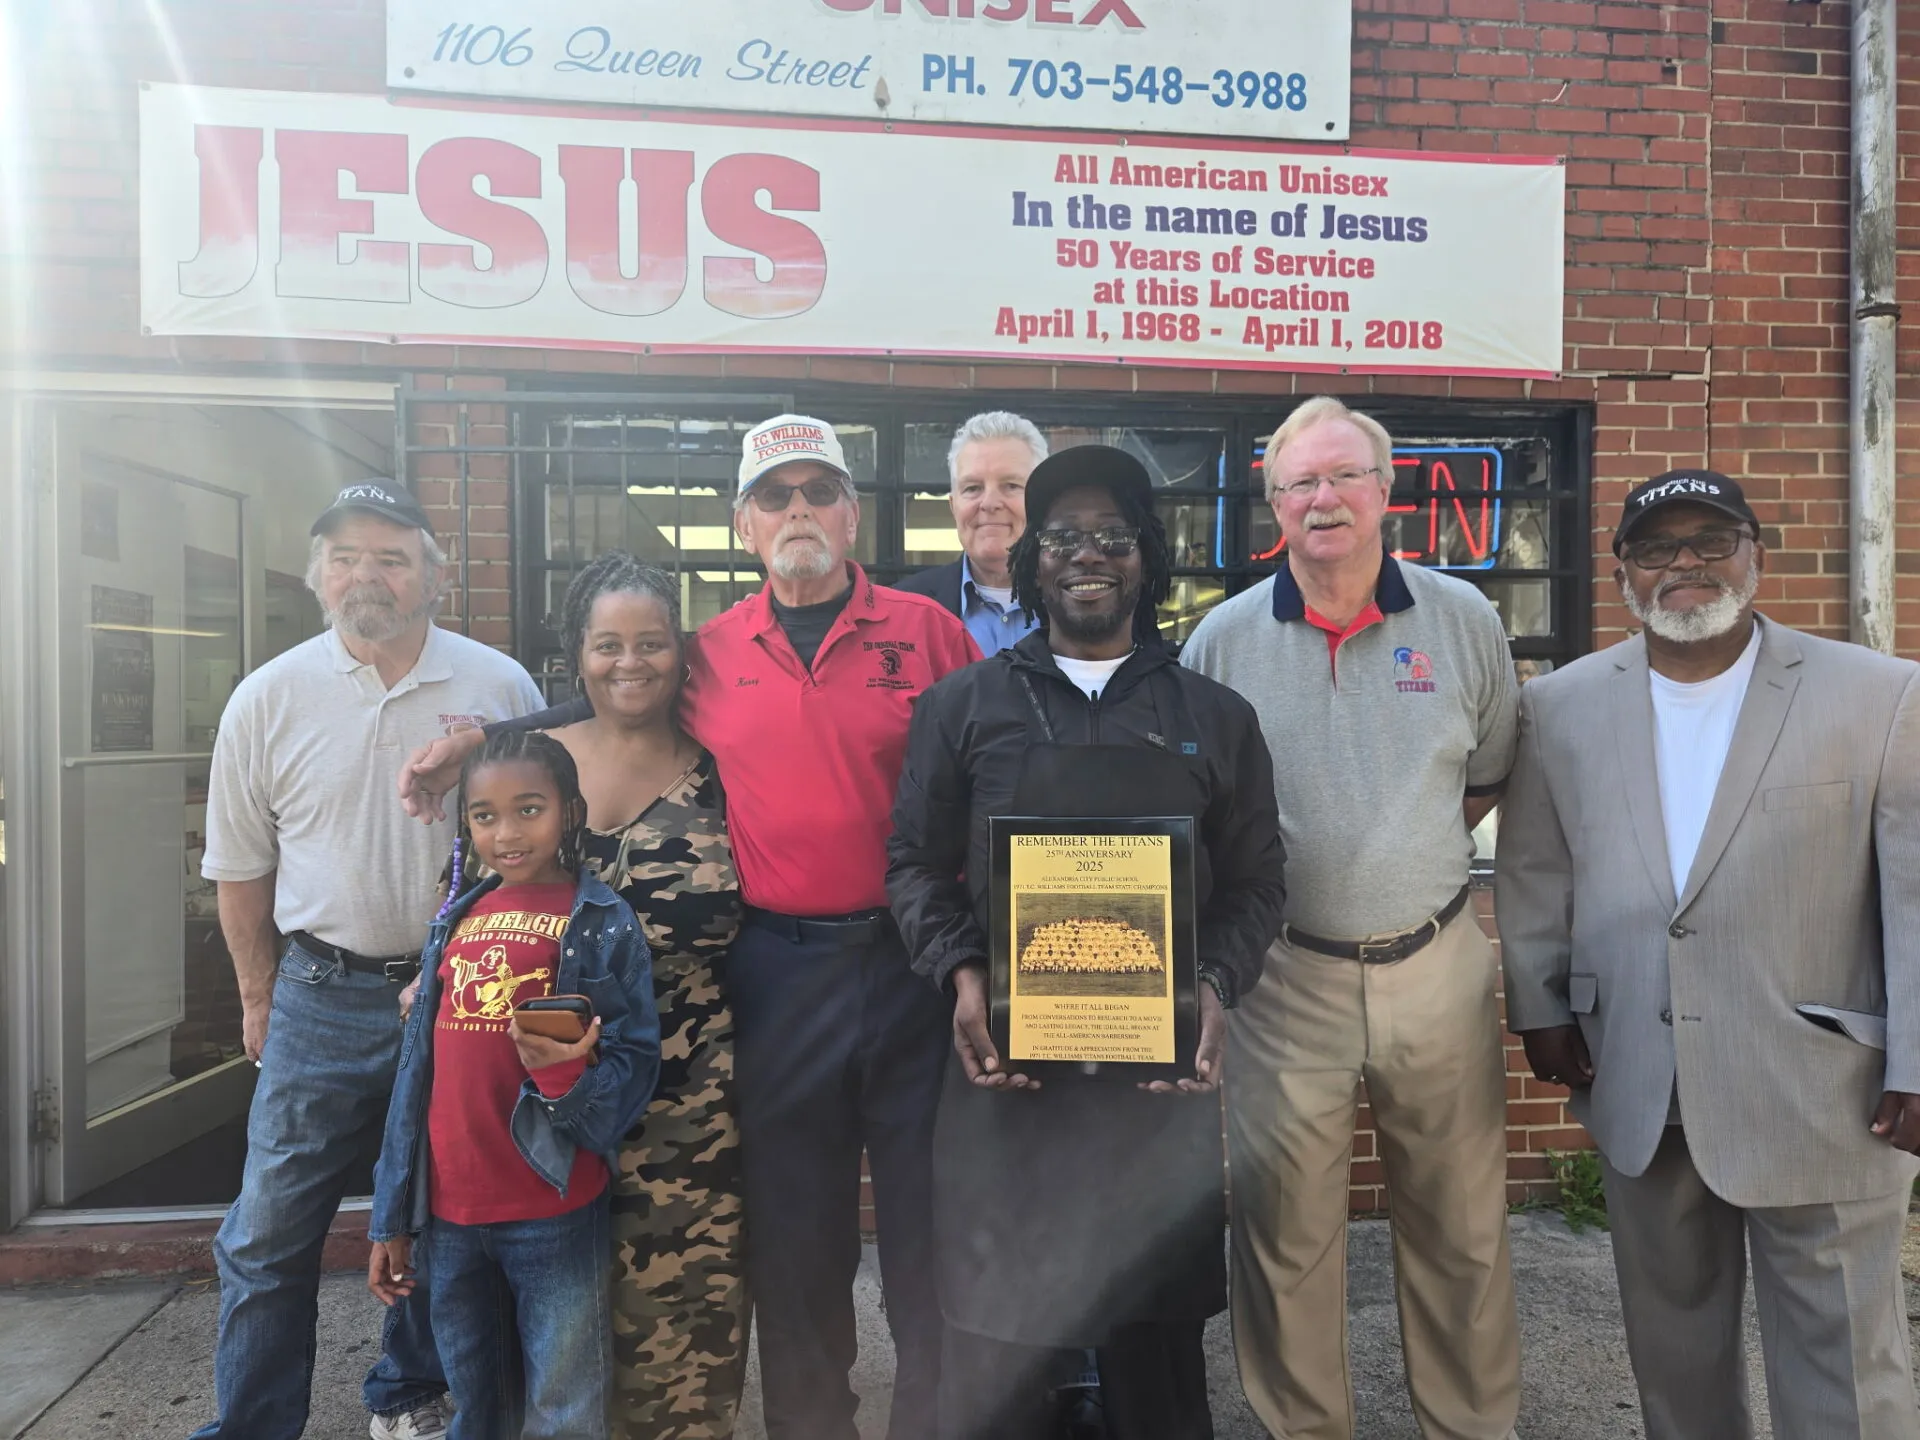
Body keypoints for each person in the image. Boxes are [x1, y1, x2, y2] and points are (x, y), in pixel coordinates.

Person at [398, 416, 981, 1440]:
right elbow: (608, 707)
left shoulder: (927, 633)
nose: (797, 511)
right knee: (799, 1246)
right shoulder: (708, 655)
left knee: (930, 1232)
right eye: (775, 496)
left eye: (818, 491)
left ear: (850, 512)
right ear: (744, 523)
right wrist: (478, 743)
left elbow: (993, 764)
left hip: (910, 965)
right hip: (781, 973)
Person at [1495, 471, 1920, 1440]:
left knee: (1847, 1374)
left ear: (1756, 556)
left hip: (1821, 1087)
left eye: (1710, 541)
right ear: (1622, 578)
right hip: (1643, 1080)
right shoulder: (1557, 707)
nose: (1684, 564)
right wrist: (1543, 1005)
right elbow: (1532, 865)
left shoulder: (1882, 696)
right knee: (1674, 1368)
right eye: (1656, 548)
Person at [888, 444, 1287, 1440]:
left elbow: (1259, 882)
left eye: (1113, 535)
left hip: (1154, 1101)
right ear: (1033, 558)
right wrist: (962, 972)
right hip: (1005, 1090)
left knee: (1155, 1373)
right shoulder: (964, 707)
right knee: (1000, 1367)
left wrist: (1215, 988)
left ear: (1146, 556)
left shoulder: (1214, 717)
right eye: (1063, 535)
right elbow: (909, 862)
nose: (1088, 555)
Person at [1180, 396, 1523, 1440]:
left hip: (1437, 963)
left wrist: (1394, 867)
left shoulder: (1464, 619)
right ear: (1273, 504)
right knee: (1287, 1242)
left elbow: (1487, 776)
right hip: (1286, 979)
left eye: (1343, 477)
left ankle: (1469, 1427)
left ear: (1386, 492)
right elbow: (1202, 814)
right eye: (1299, 483)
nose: (1322, 499)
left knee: (1463, 1232)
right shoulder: (1223, 640)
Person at [193, 481, 545, 1440]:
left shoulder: (498, 686)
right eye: (345, 555)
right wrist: (257, 994)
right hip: (319, 988)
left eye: (391, 556)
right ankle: (254, 1424)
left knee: (447, 1215)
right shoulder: (267, 697)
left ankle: (410, 1393)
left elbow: (551, 833)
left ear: (435, 575)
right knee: (268, 1233)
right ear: (317, 577)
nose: (367, 575)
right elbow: (240, 865)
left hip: (458, 988)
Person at [495, 552, 750, 1439]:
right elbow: (465, 907)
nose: (630, 662)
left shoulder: (730, 770)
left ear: (682, 654)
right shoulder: (526, 767)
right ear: (576, 654)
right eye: (608, 644)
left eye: (651, 643)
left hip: (692, 1100)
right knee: (545, 1334)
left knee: (680, 1331)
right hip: (536, 1093)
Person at [370, 729, 662, 1440]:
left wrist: (565, 1079)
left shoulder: (597, 920)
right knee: (478, 1402)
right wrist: (392, 1215)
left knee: (565, 1403)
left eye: (529, 809)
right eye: (485, 815)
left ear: (569, 810)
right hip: (450, 1215)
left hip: (552, 1206)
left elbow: (635, 1063)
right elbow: (416, 1085)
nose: (506, 832)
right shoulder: (457, 918)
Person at [894, 411, 1045, 655]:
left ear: (1043, 501)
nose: (989, 503)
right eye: (973, 488)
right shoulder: (902, 610)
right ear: (953, 507)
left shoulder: (1081, 603)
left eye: (1011, 486)